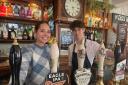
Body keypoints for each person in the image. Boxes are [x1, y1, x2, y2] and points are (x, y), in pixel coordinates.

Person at [9, 21, 52, 85]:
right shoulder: (27, 49)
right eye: (42, 31)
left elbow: (54, 71)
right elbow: (21, 72)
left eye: (48, 32)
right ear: (35, 34)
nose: (46, 34)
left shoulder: (50, 49)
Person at [68, 20, 105, 85]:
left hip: (87, 81)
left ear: (83, 30)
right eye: (74, 30)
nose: (76, 33)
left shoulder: (92, 45)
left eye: (79, 29)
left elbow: (103, 53)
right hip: (74, 81)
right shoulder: (71, 47)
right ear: (72, 32)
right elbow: (70, 66)